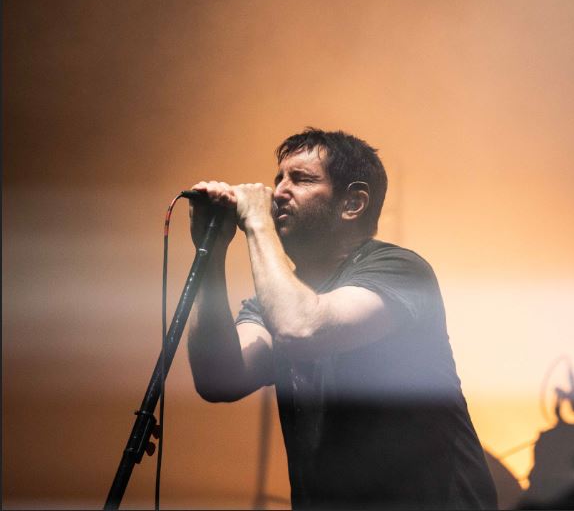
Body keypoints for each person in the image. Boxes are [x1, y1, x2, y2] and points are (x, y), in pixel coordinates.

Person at [187, 128, 497, 510]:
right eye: (278, 179)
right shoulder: (273, 304)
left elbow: (303, 328)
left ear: (353, 203)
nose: (278, 192)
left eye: (301, 179)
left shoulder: (401, 270)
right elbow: (219, 378)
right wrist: (210, 254)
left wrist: (257, 223)